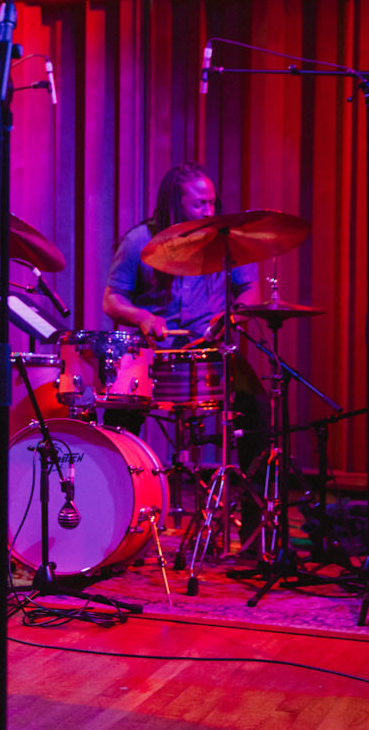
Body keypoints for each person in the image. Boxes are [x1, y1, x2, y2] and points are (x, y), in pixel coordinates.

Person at [102, 162, 268, 545]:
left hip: (207, 349)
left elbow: (249, 292)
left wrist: (232, 315)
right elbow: (112, 300)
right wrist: (142, 316)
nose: (209, 212)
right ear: (175, 206)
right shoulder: (139, 240)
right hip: (154, 352)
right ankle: (116, 522)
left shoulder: (226, 240)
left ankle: (256, 534)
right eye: (199, 205)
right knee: (117, 422)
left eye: (212, 203)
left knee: (257, 406)